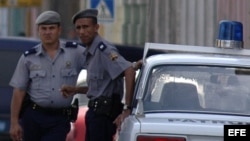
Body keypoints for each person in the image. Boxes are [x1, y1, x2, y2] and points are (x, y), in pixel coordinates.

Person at [60, 9, 141, 141]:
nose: (81, 32)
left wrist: (127, 109)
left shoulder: (104, 50)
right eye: (78, 28)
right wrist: (75, 90)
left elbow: (129, 71)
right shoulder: (92, 52)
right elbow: (101, 88)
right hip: (95, 114)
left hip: (104, 116)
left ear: (96, 27)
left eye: (86, 27)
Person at [9, 10, 85, 141]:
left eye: (51, 28)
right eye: (43, 29)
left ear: (59, 30)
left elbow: (98, 70)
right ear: (38, 31)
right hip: (33, 117)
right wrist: (14, 123)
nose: (47, 32)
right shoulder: (29, 57)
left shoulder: (75, 52)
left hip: (59, 118)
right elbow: (19, 91)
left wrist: (79, 90)